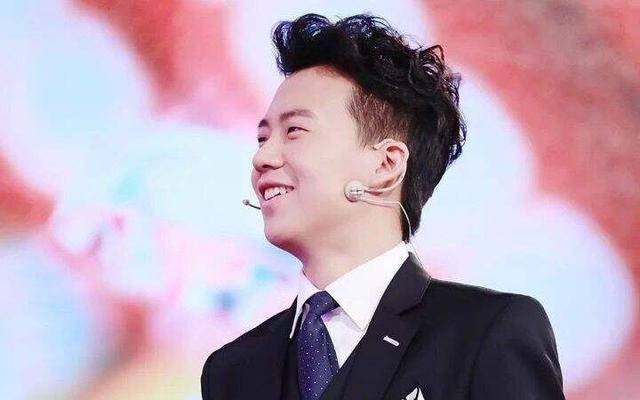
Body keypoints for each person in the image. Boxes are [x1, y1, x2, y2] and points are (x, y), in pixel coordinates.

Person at [201, 13, 565, 400]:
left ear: (386, 164)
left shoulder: (486, 333)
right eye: (262, 138)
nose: (262, 158)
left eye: (294, 131)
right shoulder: (232, 371)